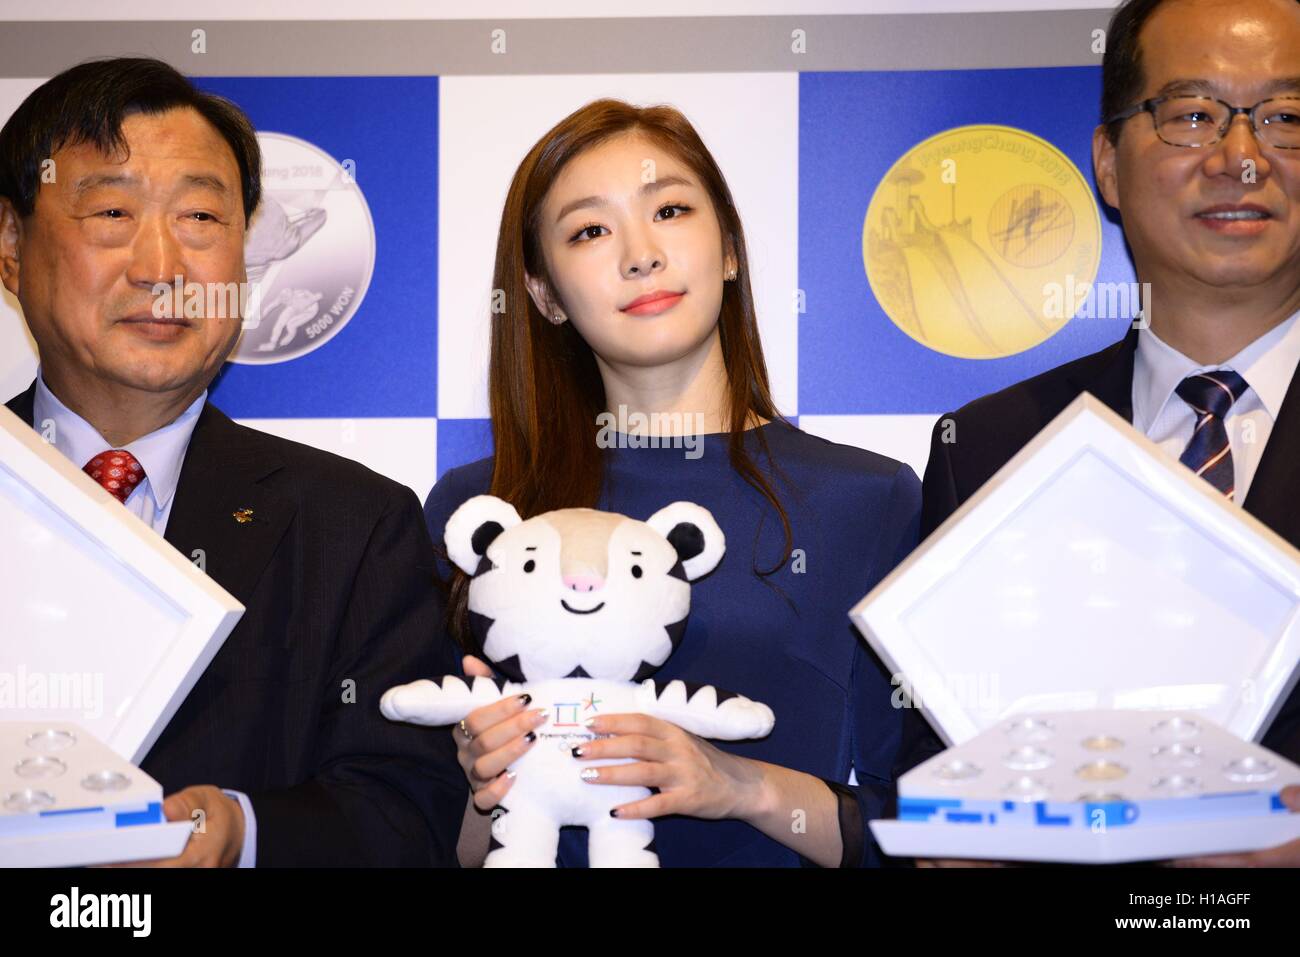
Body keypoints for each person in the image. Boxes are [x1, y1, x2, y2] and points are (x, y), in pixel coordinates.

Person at [424, 97, 940, 867]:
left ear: (728, 246)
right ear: (544, 294)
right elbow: (429, 844)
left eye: (669, 209)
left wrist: (744, 785)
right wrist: (479, 782)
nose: (640, 254)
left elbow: (923, 828)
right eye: (590, 230)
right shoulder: (477, 511)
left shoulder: (865, 498)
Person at [0, 57, 466, 866]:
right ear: (9, 245)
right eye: (112, 210)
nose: (162, 268)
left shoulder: (354, 526)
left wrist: (244, 834)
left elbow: (407, 812)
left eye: (202, 220)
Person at [919, 0, 1300, 866]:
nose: (1241, 158)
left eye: (1285, 118)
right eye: (1194, 114)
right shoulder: (987, 452)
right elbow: (932, 772)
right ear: (1109, 164)